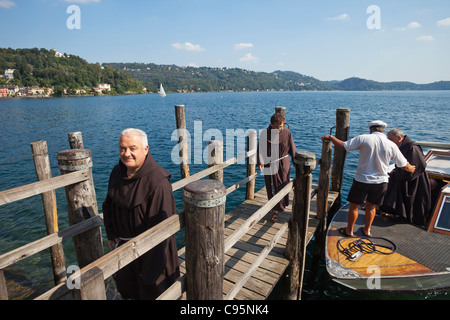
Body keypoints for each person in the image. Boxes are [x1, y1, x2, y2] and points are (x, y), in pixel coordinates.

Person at [102, 128, 180, 299]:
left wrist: (149, 270)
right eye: (122, 148)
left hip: (154, 257)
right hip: (124, 249)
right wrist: (112, 233)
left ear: (145, 149)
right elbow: (108, 206)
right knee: (128, 293)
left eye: (132, 148)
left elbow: (162, 233)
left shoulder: (158, 183)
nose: (126, 153)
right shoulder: (117, 172)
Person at [323, 120, 416, 237]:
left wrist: (331, 137)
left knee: (354, 206)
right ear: (383, 130)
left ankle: (349, 230)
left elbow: (343, 146)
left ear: (371, 129)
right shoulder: (391, 144)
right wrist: (411, 168)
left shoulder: (363, 138)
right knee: (371, 207)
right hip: (381, 182)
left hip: (362, 180)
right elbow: (403, 165)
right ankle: (367, 230)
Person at [380, 128, 432, 226]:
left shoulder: (412, 148)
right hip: (403, 176)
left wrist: (399, 174)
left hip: (413, 181)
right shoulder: (402, 146)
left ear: (399, 138)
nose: (389, 142)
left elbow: (416, 168)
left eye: (390, 139)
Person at [257, 113, 296, 222]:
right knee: (271, 186)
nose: (279, 129)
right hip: (270, 164)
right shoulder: (265, 134)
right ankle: (274, 209)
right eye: (277, 127)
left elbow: (292, 148)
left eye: (281, 126)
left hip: (283, 163)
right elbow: (260, 148)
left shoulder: (287, 132)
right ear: (271, 124)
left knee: (282, 184)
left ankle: (279, 206)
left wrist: (295, 161)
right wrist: (260, 162)